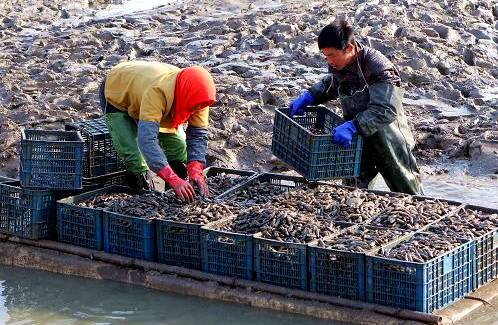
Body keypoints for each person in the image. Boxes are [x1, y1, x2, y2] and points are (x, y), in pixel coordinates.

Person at [289, 19, 422, 195]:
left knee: (406, 190)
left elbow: (386, 110)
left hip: (388, 138)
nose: (329, 61)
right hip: (357, 138)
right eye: (325, 56)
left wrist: (353, 126)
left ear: (349, 48)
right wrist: (311, 95)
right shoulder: (339, 65)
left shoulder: (379, 67)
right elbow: (333, 83)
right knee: (353, 191)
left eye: (332, 55)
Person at [99, 60, 216, 201]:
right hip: (117, 90)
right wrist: (171, 178)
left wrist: (195, 169)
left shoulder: (200, 98)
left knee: (178, 150)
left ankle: (177, 191)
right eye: (194, 107)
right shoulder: (158, 92)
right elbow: (147, 140)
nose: (197, 110)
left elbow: (198, 135)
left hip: (146, 91)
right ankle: (138, 192)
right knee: (133, 157)